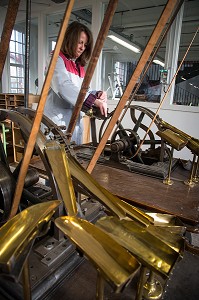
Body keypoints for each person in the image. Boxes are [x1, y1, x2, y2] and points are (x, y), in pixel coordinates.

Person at [44, 21, 107, 145]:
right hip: (57, 120)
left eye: (85, 44)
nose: (82, 47)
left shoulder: (77, 66)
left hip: (74, 120)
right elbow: (64, 86)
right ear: (70, 39)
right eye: (80, 42)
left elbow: (82, 89)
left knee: (74, 157)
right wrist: (93, 101)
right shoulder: (56, 59)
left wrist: (97, 94)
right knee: (57, 160)